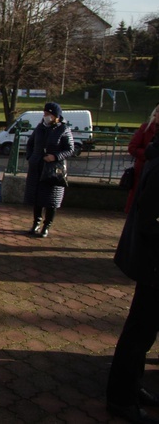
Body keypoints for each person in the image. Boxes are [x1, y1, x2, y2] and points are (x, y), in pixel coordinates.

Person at [107, 132, 159, 424]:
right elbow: (151, 221)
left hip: (152, 264)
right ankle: (121, 399)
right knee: (138, 337)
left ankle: (131, 388)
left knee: (142, 335)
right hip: (154, 265)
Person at [24, 102, 74, 238]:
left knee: (51, 199)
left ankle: (47, 225)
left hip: (53, 170)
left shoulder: (63, 129)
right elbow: (30, 143)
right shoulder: (40, 127)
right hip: (37, 168)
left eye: (48, 114)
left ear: (55, 116)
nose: (45, 116)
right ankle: (36, 223)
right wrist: (31, 157)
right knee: (37, 198)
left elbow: (70, 149)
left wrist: (55, 156)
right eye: (44, 113)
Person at [125, 104, 159, 212]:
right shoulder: (146, 128)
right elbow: (132, 147)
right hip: (144, 168)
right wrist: (148, 155)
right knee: (138, 199)